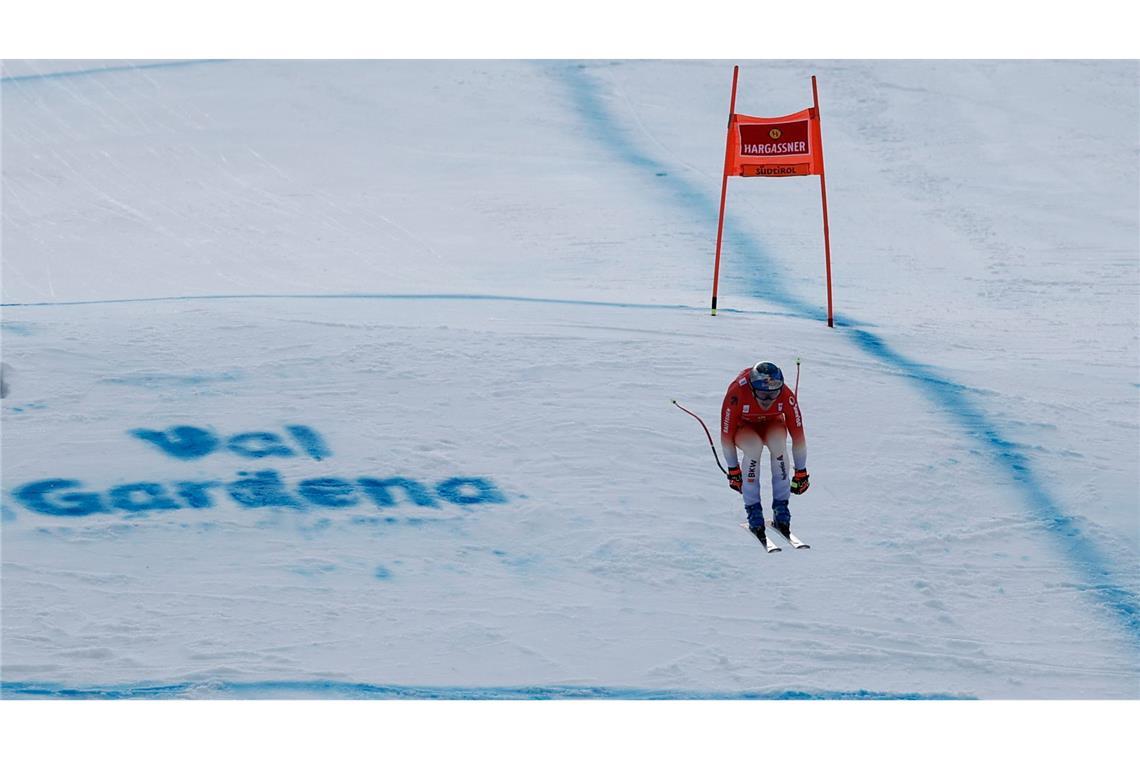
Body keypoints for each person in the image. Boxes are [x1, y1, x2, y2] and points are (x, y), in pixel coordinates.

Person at [720, 361, 809, 543]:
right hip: (744, 427)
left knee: (779, 446)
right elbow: (726, 437)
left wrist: (801, 471)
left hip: (772, 424)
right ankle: (754, 510)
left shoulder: (786, 395)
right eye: (762, 394)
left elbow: (798, 437)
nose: (767, 400)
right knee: (753, 448)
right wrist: (733, 470)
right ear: (752, 389)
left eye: (773, 394)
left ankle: (781, 509)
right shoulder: (737, 393)